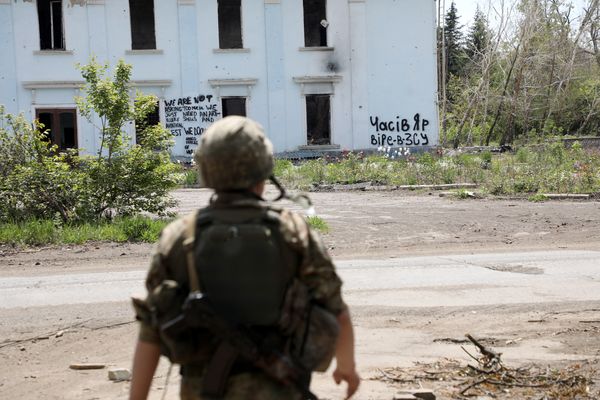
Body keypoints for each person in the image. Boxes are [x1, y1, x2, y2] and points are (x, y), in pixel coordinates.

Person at [129, 116, 360, 400]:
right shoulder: (294, 233)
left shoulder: (179, 237)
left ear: (205, 168)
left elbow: (150, 333)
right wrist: (347, 368)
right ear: (264, 169)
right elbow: (338, 311)